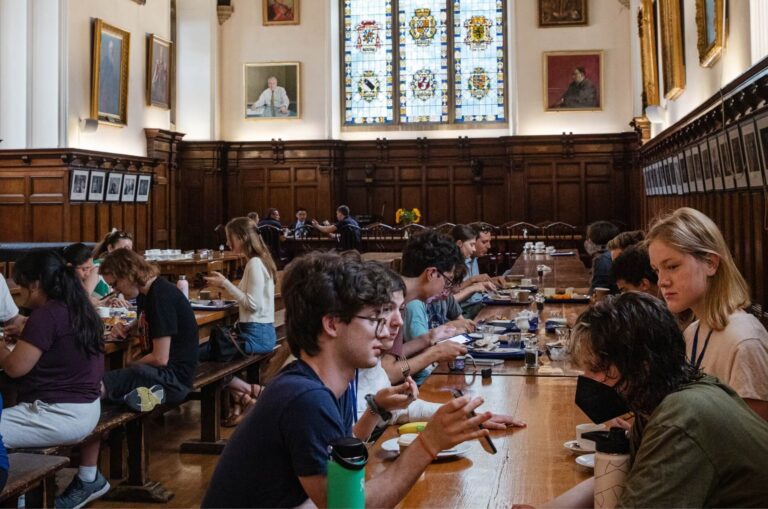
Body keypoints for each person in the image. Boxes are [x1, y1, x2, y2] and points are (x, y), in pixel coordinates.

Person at [202, 251, 494, 508]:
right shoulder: (305, 397)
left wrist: (375, 411)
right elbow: (347, 505)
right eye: (375, 317)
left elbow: (336, 463)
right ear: (331, 324)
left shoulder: (336, 383)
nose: (394, 325)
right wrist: (429, 443)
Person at [534, 293, 768, 508]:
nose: (590, 379)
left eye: (598, 368)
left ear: (642, 366)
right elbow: (628, 477)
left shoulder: (680, 418)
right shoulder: (667, 399)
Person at [58, 248, 200, 508]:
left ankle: (81, 469)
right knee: (107, 388)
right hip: (172, 376)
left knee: (92, 389)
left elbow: (160, 357)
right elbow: (151, 322)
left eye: (116, 284)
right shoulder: (152, 293)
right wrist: (131, 327)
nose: (118, 291)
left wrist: (132, 366)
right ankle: (134, 396)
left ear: (128, 274)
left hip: (171, 378)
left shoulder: (161, 297)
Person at [4, 253, 106, 507]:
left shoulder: (46, 314)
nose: (21, 292)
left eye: (22, 285)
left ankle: (16, 501)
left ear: (36, 283)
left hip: (60, 415)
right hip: (88, 409)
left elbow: (15, 368)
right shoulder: (79, 305)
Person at [647, 207, 768, 420]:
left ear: (710, 264)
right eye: (657, 270)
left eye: (672, 266)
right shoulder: (693, 331)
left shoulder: (744, 341)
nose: (662, 281)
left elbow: (754, 443)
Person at [204, 217, 277, 426]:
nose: (228, 244)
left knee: (203, 357)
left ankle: (250, 393)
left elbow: (252, 304)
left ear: (242, 237)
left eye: (230, 238)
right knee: (213, 351)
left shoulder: (254, 263)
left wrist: (225, 283)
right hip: (260, 332)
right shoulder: (261, 260)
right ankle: (242, 398)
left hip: (255, 334)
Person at [380, 231, 471, 384]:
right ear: (432, 273)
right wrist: (434, 353)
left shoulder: (401, 298)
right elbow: (388, 373)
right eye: (447, 281)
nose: (446, 290)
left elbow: (393, 356)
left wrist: (428, 338)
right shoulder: (389, 302)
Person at [449, 225, 497, 318]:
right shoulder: (451, 263)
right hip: (462, 311)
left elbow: (452, 292)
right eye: (472, 245)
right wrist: (473, 283)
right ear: (459, 243)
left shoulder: (471, 257)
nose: (473, 249)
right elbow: (451, 297)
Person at [585, 221, 619, 293]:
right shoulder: (611, 255)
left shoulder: (602, 260)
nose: (587, 242)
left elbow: (597, 293)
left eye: (589, 238)